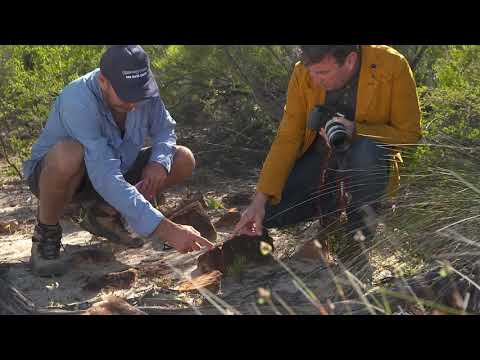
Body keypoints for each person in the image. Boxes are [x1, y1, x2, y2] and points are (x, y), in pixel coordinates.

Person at [23, 45, 214, 277]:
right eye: (126, 94)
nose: (134, 102)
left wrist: (158, 162)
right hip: (64, 179)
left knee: (182, 158)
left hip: (116, 169)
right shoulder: (77, 100)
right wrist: (166, 229)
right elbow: (104, 173)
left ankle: (106, 213)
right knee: (68, 154)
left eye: (139, 93)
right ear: (103, 81)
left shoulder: (144, 88)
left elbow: (165, 130)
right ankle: (46, 234)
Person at [234, 45, 422, 281]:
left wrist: (358, 131)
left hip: (367, 163)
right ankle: (329, 212)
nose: (314, 79)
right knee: (270, 213)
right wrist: (259, 200)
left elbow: (410, 134)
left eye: (322, 73)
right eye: (311, 71)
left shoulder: (392, 65)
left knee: (366, 150)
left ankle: (357, 239)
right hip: (319, 162)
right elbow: (287, 138)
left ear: (350, 60)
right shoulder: (303, 72)